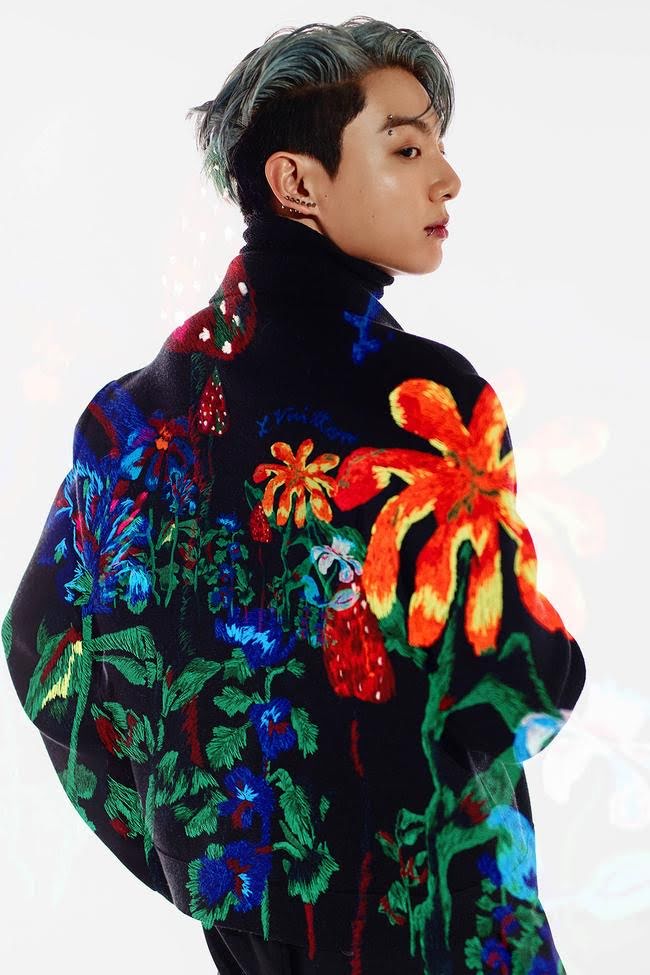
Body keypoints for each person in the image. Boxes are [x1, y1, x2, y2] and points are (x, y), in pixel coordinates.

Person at [2, 15, 586, 975]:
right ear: (297, 182)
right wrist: (560, 673)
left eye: (440, 146)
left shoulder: (133, 416)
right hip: (440, 909)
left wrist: (189, 840)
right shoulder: (423, 398)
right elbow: (513, 675)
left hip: (254, 922)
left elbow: (40, 644)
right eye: (407, 147)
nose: (448, 178)